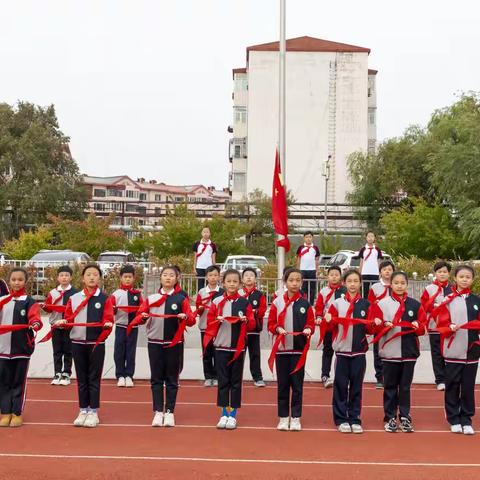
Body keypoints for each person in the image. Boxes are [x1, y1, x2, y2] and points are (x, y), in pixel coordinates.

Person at [133, 266, 195, 428]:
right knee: (156, 378)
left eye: (171, 275)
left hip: (173, 344)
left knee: (172, 379)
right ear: (160, 278)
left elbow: (192, 320)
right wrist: (143, 317)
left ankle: (170, 411)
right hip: (154, 343)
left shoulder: (181, 299)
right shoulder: (151, 298)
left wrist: (185, 316)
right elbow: (139, 317)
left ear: (177, 278)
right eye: (165, 275)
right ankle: (158, 411)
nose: (168, 278)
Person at [370, 271, 426, 433]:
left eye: (402, 283)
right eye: (396, 283)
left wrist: (417, 325)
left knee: (405, 387)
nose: (399, 285)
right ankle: (390, 417)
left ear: (407, 284)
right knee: (390, 386)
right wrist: (382, 324)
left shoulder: (415, 305)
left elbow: (423, 327)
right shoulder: (382, 304)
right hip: (389, 353)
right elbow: (374, 327)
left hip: (409, 353)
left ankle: (405, 416)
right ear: (391, 284)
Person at [325, 269, 379, 433]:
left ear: (360, 283)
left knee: (356, 387)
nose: (353, 284)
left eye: (356, 281)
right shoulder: (336, 304)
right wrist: (328, 320)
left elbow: (370, 329)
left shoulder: (366, 305)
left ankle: (354, 418)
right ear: (344, 283)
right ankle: (341, 419)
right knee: (340, 386)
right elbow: (330, 327)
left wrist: (374, 323)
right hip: (342, 353)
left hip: (359, 353)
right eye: (350, 281)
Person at [62, 264, 115, 428]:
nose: (92, 277)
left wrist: (107, 323)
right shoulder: (74, 298)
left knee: (94, 377)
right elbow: (68, 318)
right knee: (81, 378)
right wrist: (64, 322)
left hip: (95, 344)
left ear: (100, 278)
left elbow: (109, 317)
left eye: (95, 274)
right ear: (83, 278)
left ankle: (93, 412)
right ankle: (83, 409)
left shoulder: (105, 298)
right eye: (88, 274)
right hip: (77, 343)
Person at [204, 269, 255, 430]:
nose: (232, 284)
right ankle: (223, 413)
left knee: (235, 381)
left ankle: (232, 415)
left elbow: (253, 325)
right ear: (223, 283)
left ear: (239, 284)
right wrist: (216, 321)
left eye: (235, 281)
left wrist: (246, 320)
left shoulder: (244, 302)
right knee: (223, 381)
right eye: (229, 281)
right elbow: (209, 323)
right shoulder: (217, 301)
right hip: (220, 347)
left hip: (238, 348)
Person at [434, 265, 480, 435]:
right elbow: (440, 324)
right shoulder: (447, 299)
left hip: (472, 351)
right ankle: (453, 418)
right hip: (453, 350)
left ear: (472, 280)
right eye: (461, 276)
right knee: (452, 385)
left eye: (468, 277)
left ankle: (466, 419)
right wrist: (449, 326)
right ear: (455, 278)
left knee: (468, 387)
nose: (464, 279)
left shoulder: (477, 301)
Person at [268, 268, 314, 432]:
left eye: (297, 280)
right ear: (285, 282)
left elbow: (311, 322)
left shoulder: (305, 303)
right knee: (283, 385)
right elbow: (271, 324)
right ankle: (283, 417)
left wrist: (308, 328)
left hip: (298, 351)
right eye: (291, 280)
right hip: (282, 350)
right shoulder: (277, 302)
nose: (294, 283)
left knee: (297, 385)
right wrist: (278, 329)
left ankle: (295, 417)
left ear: (301, 282)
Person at [0, 268, 42, 427]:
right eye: (13, 279)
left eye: (20, 279)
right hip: (2, 349)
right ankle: (5, 412)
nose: (16, 282)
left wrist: (35, 323)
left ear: (25, 282)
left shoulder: (29, 301)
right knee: (3, 381)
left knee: (18, 381)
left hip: (21, 349)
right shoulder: (2, 300)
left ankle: (16, 412)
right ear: (9, 281)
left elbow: (35, 317)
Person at [42, 266, 78, 386]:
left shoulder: (75, 293)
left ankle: (66, 373)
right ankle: (57, 372)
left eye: (67, 275)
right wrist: (45, 307)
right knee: (57, 351)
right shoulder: (53, 293)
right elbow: (48, 308)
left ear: (71, 277)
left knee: (68, 350)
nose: (64, 277)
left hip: (69, 326)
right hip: (55, 326)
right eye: (62, 275)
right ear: (58, 277)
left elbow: (77, 309)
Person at [420, 260, 452, 391]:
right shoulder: (429, 289)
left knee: (449, 353)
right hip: (434, 326)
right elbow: (423, 306)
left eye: (445, 272)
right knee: (437, 353)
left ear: (449, 274)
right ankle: (440, 379)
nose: (442, 274)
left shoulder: (453, 288)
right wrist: (434, 305)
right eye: (439, 272)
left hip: (450, 327)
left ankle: (450, 378)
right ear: (435, 273)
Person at [314, 266, 346, 388]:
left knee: (341, 351)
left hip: (341, 326)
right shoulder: (323, 291)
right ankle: (325, 375)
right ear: (328, 277)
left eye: (336, 274)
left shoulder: (345, 290)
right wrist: (318, 316)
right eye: (331, 274)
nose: (334, 277)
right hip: (328, 325)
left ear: (340, 276)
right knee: (328, 350)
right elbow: (319, 306)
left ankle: (341, 376)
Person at [111, 265, 143, 388]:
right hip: (120, 326)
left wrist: (142, 317)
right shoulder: (116, 294)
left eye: (130, 277)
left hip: (133, 328)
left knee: (130, 352)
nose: (128, 279)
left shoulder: (137, 294)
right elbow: (110, 311)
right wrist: (113, 310)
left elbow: (142, 310)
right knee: (119, 351)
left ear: (133, 278)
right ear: (121, 278)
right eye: (125, 277)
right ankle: (120, 375)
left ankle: (129, 375)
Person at [367, 260, 395, 389]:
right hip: (379, 324)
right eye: (384, 269)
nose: (387, 271)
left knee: (392, 349)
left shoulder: (397, 285)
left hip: (394, 323)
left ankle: (391, 377)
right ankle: (379, 377)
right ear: (380, 273)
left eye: (389, 269)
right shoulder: (375, 288)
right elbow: (370, 306)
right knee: (378, 350)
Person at [195, 265, 224, 386]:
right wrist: (200, 308)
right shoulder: (202, 292)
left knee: (217, 352)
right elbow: (198, 310)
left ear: (219, 276)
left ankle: (217, 376)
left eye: (215, 275)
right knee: (207, 353)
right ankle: (208, 376)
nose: (213, 278)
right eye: (210, 275)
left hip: (218, 327)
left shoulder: (222, 292)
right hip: (205, 327)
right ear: (206, 277)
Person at [239, 267, 267, 387]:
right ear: (242, 279)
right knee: (239, 354)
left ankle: (257, 377)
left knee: (255, 354)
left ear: (255, 279)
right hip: (240, 330)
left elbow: (262, 310)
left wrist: (252, 312)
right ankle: (236, 377)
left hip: (254, 330)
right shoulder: (238, 293)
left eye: (251, 275)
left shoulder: (259, 294)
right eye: (246, 275)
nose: (249, 277)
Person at [356, 231, 383, 299]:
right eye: (369, 236)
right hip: (365, 273)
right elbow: (361, 261)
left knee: (375, 290)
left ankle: (374, 304)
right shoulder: (363, 249)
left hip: (375, 273)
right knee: (365, 290)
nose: (370, 238)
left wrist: (380, 272)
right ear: (366, 238)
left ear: (374, 238)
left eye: (372, 236)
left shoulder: (377, 249)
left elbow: (379, 261)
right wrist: (359, 273)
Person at [296, 232, 320, 305]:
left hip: (312, 270)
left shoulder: (315, 248)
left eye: (310, 237)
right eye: (306, 237)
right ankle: (304, 302)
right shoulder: (301, 248)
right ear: (304, 238)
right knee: (303, 287)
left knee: (312, 288)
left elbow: (317, 259)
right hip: (302, 270)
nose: (308, 239)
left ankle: (311, 303)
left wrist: (317, 270)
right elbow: (298, 259)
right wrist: (297, 270)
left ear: (312, 238)